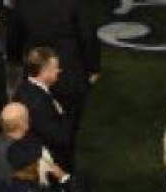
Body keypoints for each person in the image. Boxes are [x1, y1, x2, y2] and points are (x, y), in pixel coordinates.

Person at [12, 0, 100, 132]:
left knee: (37, 121)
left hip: (36, 70)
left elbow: (15, 36)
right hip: (68, 72)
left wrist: (16, 59)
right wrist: (93, 67)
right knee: (68, 124)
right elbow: (87, 34)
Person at [13, 47, 75, 173]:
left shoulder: (24, 88)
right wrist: (62, 115)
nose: (59, 71)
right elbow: (60, 138)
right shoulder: (38, 103)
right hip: (49, 165)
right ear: (44, 71)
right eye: (55, 68)